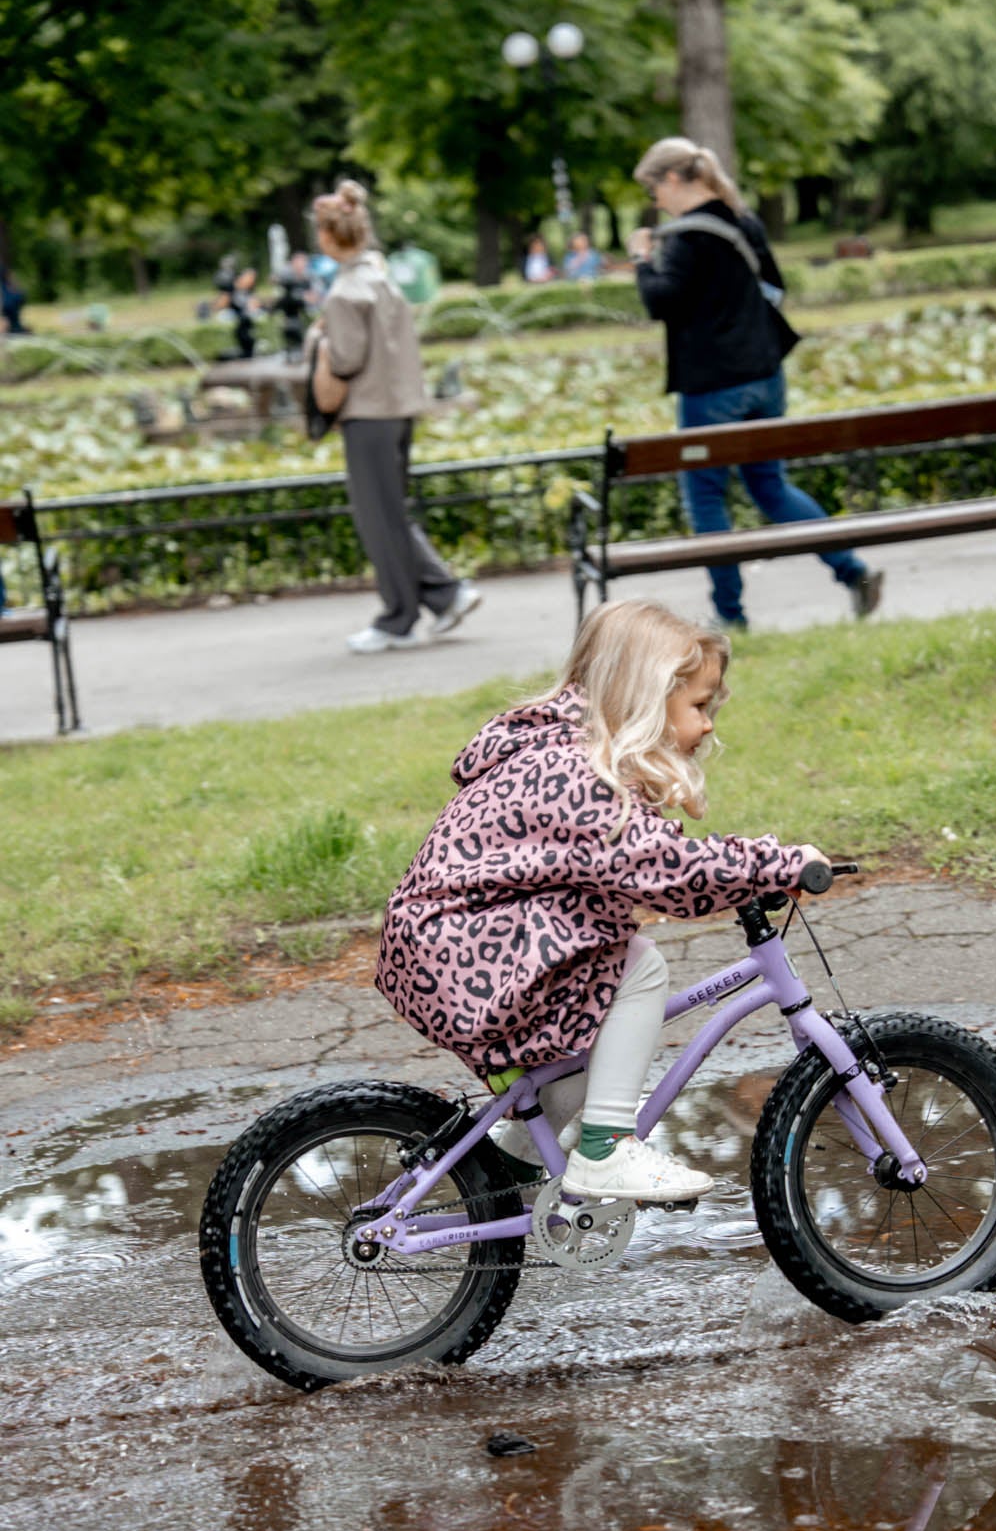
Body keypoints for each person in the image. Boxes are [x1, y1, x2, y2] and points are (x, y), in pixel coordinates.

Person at [375, 599, 827, 1203]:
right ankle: (605, 1150)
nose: (710, 723)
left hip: (446, 945)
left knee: (593, 1023)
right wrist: (775, 863)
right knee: (636, 967)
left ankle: (513, 1164)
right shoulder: (579, 775)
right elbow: (667, 869)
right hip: (466, 952)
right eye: (698, 705)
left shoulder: (563, 751)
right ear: (645, 698)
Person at [629, 135, 883, 632]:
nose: (654, 201)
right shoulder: (744, 223)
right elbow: (775, 286)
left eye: (653, 189)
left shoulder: (683, 238)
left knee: (705, 496)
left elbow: (661, 302)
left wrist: (641, 259)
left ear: (675, 179)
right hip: (765, 376)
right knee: (770, 485)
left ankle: (729, 614)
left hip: (710, 386)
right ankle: (852, 571)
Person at [310, 179, 481, 654]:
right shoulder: (382, 279)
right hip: (399, 410)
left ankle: (398, 619)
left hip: (367, 414)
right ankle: (445, 595)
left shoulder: (345, 292)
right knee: (390, 514)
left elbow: (344, 360)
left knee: (377, 518)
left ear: (327, 238)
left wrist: (318, 340)